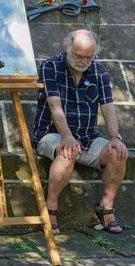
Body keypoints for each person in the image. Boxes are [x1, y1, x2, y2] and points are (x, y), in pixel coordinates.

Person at [32, 29, 129, 234]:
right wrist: (66, 136)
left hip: (87, 136)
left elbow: (108, 106)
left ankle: (106, 207)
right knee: (68, 151)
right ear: (68, 48)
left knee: (118, 153)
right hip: (52, 133)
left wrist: (115, 138)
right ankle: (50, 208)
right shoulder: (51, 67)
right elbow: (54, 106)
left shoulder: (99, 71)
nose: (83, 61)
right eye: (78, 56)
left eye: (88, 57)